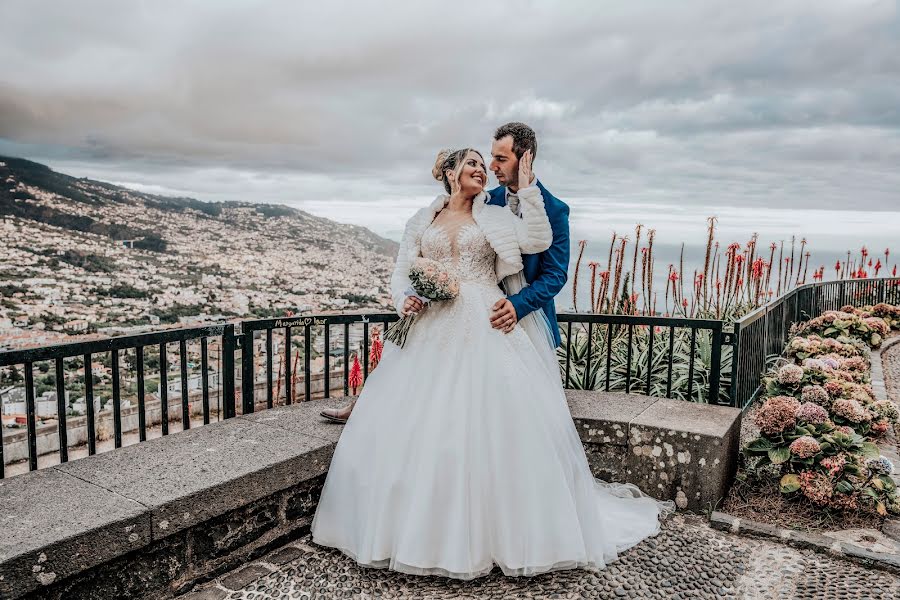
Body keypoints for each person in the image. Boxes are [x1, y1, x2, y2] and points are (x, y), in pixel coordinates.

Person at [310, 143, 673, 580]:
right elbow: (403, 270)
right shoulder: (421, 218)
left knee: (491, 420)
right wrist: (405, 297)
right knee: (419, 422)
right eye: (472, 164)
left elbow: (537, 240)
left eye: (485, 164)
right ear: (449, 173)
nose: (481, 170)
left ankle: (502, 534)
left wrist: (531, 187)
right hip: (430, 323)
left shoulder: (495, 215)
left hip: (485, 317)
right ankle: (408, 530)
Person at [319, 122, 570, 423]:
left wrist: (518, 304)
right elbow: (414, 261)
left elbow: (554, 274)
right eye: (485, 159)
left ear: (525, 157)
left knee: (515, 398)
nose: (490, 166)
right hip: (460, 306)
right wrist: (410, 294)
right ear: (452, 174)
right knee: (419, 364)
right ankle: (368, 406)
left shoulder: (553, 209)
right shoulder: (486, 200)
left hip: (514, 309)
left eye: (499, 159)